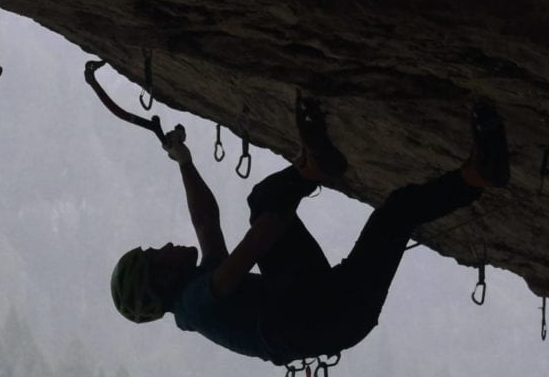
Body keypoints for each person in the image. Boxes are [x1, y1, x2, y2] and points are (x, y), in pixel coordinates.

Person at [109, 95, 509, 363]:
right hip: (315, 311)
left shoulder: (193, 295)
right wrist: (283, 208)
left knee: (398, 213)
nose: (163, 246)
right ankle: (314, 169)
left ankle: (477, 175)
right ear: (161, 276)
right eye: (154, 254)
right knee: (265, 202)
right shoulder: (196, 301)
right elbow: (249, 250)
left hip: (333, 312)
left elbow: (206, 223)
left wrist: (184, 162)